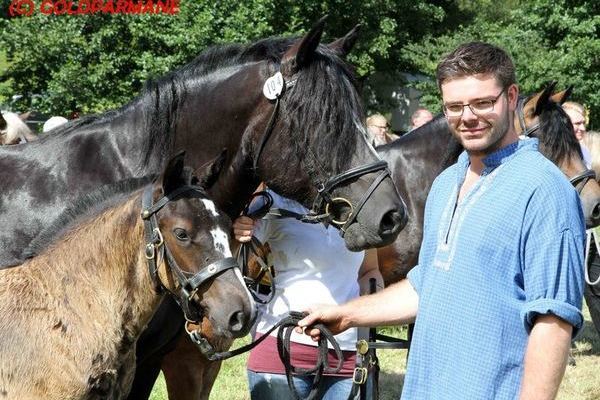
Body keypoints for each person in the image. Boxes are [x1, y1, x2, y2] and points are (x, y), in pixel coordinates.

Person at [298, 42, 585, 400]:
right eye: (454, 106)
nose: (468, 116)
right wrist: (347, 315)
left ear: (511, 97)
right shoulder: (447, 182)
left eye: (482, 102)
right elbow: (426, 286)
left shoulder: (545, 190)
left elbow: (553, 322)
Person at [233, 187, 382, 400]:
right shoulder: (275, 201)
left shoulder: (359, 206)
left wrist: (368, 310)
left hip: (349, 355)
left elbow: (370, 271)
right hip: (281, 352)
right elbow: (235, 259)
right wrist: (239, 230)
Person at [563, 101, 592, 168]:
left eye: (584, 123)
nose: (583, 128)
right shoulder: (552, 154)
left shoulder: (584, 152)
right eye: (577, 123)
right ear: (564, 124)